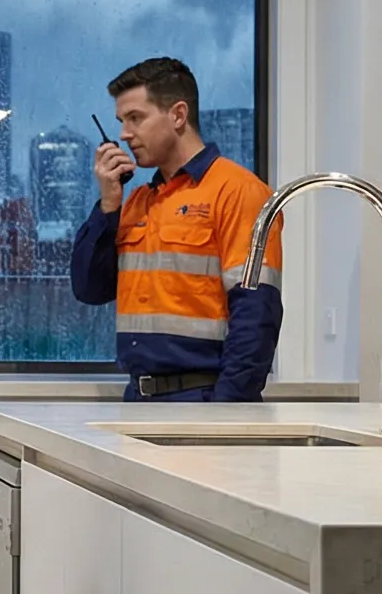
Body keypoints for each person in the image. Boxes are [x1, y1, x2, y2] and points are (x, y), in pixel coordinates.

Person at [70, 56, 284, 400]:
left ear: (178, 115)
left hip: (203, 397)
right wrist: (108, 205)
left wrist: (224, 415)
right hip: (138, 400)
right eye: (121, 121)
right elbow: (89, 289)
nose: (124, 134)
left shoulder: (238, 191)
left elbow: (255, 315)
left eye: (136, 118)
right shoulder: (138, 201)